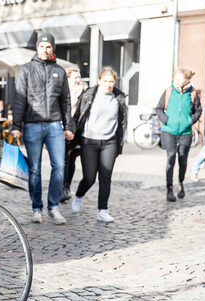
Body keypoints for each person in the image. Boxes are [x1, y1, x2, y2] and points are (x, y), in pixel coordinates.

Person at [11, 32, 74, 224]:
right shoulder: (26, 70)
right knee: (35, 169)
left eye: (48, 46)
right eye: (42, 46)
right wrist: (16, 125)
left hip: (55, 124)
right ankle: (36, 208)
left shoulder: (60, 71)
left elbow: (66, 101)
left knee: (60, 166)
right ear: (37, 48)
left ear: (53, 48)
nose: (45, 50)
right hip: (32, 125)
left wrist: (68, 125)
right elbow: (19, 99)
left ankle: (53, 207)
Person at [69, 67, 127, 223]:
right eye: (105, 81)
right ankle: (78, 196)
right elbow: (77, 117)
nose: (108, 85)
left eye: (111, 82)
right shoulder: (89, 95)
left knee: (105, 176)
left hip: (110, 142)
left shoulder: (119, 98)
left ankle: (103, 210)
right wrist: (71, 132)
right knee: (89, 178)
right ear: (99, 80)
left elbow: (122, 121)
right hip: (89, 141)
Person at [155, 67, 202, 202]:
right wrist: (166, 120)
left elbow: (198, 110)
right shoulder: (169, 91)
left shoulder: (192, 93)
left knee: (182, 159)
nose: (177, 80)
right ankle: (169, 188)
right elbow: (158, 108)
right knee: (171, 157)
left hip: (185, 132)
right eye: (176, 78)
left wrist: (189, 121)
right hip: (169, 130)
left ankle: (180, 183)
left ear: (187, 80)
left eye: (180, 78)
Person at [62, 65, 87, 202]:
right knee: (63, 159)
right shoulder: (62, 91)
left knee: (71, 159)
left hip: (77, 130)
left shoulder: (84, 92)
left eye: (79, 77)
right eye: (75, 77)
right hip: (63, 128)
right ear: (68, 78)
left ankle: (66, 186)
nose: (78, 80)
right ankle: (62, 187)